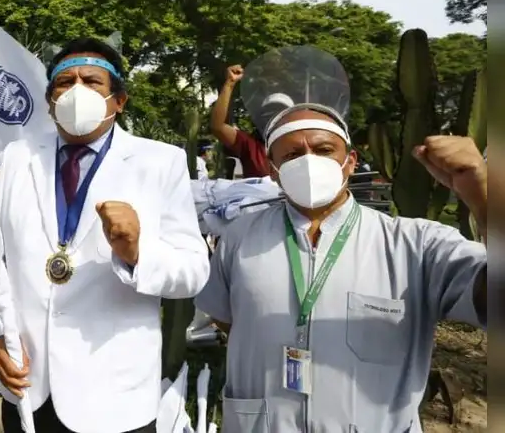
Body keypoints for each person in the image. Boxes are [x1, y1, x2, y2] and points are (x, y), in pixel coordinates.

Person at [0, 38, 210, 433]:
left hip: (114, 396)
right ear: (49, 101)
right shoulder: (18, 158)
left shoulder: (158, 163)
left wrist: (137, 253)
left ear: (119, 100)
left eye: (92, 81)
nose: (77, 91)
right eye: (65, 82)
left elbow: (193, 272)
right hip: (28, 382)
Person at [195, 105, 487, 431]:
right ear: (273, 169)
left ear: (350, 161)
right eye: (292, 155)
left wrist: (485, 199)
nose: (308, 162)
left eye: (323, 150)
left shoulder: (415, 244)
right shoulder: (240, 236)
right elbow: (226, 317)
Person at [209, 64, 276, 178]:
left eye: (278, 113)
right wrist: (230, 84)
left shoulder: (302, 146)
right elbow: (217, 126)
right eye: (268, 114)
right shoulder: (250, 146)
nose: (273, 120)